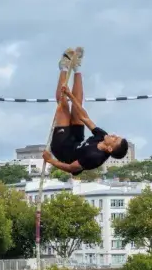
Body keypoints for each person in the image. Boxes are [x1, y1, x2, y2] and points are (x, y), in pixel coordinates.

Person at [42, 47, 129, 176]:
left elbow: (72, 168)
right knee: (78, 110)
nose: (114, 135)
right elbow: (85, 118)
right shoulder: (102, 136)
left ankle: (64, 68)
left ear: (109, 148)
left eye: (115, 139)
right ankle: (77, 68)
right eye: (117, 136)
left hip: (63, 149)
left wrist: (51, 161)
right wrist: (70, 95)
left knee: (63, 106)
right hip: (77, 141)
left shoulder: (94, 157)